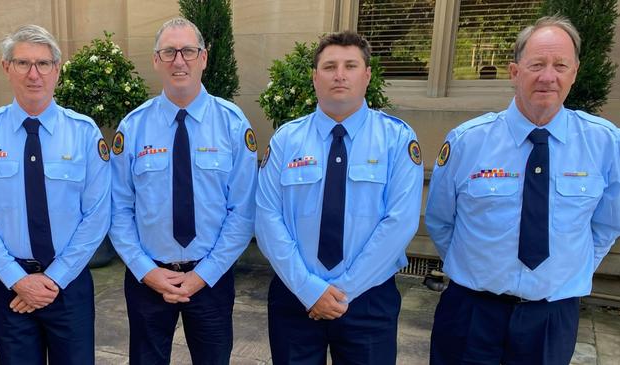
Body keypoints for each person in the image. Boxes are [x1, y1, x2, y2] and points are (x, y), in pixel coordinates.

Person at [425, 15, 620, 365]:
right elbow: (441, 221)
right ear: (515, 72)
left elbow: (606, 224)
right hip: (472, 314)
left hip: (550, 320)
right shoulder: (469, 141)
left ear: (574, 72)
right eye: (537, 65)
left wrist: (567, 272)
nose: (548, 76)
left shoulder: (604, 143)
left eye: (560, 65)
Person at [255, 31, 424, 364]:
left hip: (369, 300)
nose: (340, 74)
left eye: (351, 65)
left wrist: (343, 290)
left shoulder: (397, 139)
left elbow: (400, 222)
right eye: (329, 66)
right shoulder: (287, 139)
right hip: (295, 297)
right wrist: (310, 290)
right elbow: (266, 217)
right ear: (315, 77)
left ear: (367, 75)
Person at [109, 17, 257, 365]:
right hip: (149, 278)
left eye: (188, 51)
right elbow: (118, 209)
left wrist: (203, 275)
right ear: (156, 61)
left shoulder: (233, 125)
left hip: (211, 277)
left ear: (204, 58)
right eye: (169, 52)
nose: (179, 61)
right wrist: (146, 270)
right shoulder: (133, 127)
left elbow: (244, 210)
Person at [0, 24, 111, 364]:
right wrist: (18, 280)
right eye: (23, 63)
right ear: (6, 68)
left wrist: (52, 279)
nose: (34, 74)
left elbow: (97, 215)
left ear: (57, 69)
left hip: (69, 281)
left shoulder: (83, 132)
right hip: (10, 285)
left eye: (43, 64)